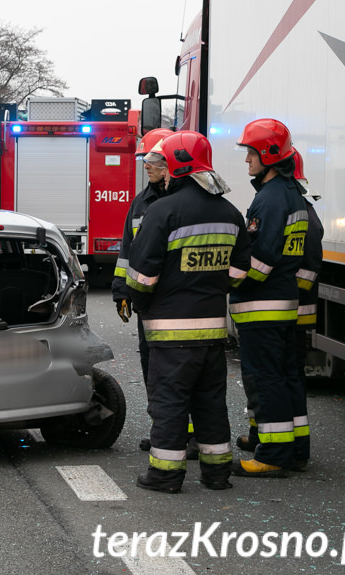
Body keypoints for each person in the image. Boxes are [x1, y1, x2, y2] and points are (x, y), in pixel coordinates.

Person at [126, 131, 251, 493]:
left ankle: (165, 475)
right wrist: (210, 285)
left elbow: (142, 275)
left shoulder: (161, 211)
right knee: (211, 404)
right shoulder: (230, 213)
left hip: (170, 333)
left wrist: (142, 301)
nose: (160, 172)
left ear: (177, 168)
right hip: (212, 332)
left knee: (170, 402)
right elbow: (240, 271)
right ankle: (216, 474)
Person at [229, 118, 309, 478]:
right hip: (282, 301)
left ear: (268, 154)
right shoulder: (291, 194)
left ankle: (273, 455)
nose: (247, 161)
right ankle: (294, 449)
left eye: (250, 153)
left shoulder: (270, 200)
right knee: (283, 376)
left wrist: (226, 283)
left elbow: (258, 263)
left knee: (265, 379)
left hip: (263, 304)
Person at [112, 128, 198, 458]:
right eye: (145, 159)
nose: (146, 165)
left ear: (170, 163)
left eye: (153, 159)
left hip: (177, 300)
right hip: (147, 302)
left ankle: (186, 434)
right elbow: (127, 252)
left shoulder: (181, 203)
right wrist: (121, 291)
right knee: (153, 369)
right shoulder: (141, 202)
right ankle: (165, 429)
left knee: (182, 373)